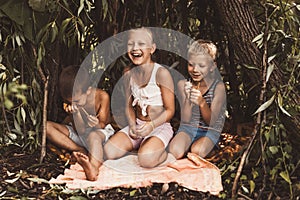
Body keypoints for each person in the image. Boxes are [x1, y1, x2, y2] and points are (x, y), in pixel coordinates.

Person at [104, 27, 175, 168]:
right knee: (108, 152)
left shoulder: (161, 73)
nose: (135, 48)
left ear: (152, 48)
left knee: (146, 161)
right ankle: (142, 145)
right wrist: (131, 125)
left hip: (158, 126)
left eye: (141, 44)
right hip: (137, 126)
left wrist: (151, 126)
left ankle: (162, 152)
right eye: (131, 44)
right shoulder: (128, 73)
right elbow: (128, 105)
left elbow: (170, 110)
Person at [46, 65, 114, 181]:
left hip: (99, 134)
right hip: (81, 133)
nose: (74, 104)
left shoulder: (102, 96)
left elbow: (102, 125)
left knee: (93, 136)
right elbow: (80, 131)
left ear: (87, 90)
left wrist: (96, 124)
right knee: (46, 126)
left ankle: (92, 168)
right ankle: (79, 149)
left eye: (76, 101)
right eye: (69, 102)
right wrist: (75, 114)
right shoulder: (73, 100)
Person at [168, 40, 226, 159]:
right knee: (174, 151)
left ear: (212, 66)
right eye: (191, 64)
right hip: (188, 128)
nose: (195, 70)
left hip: (209, 130)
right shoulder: (182, 84)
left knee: (197, 151)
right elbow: (186, 119)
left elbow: (212, 122)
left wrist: (202, 102)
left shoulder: (218, 87)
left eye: (202, 65)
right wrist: (188, 100)